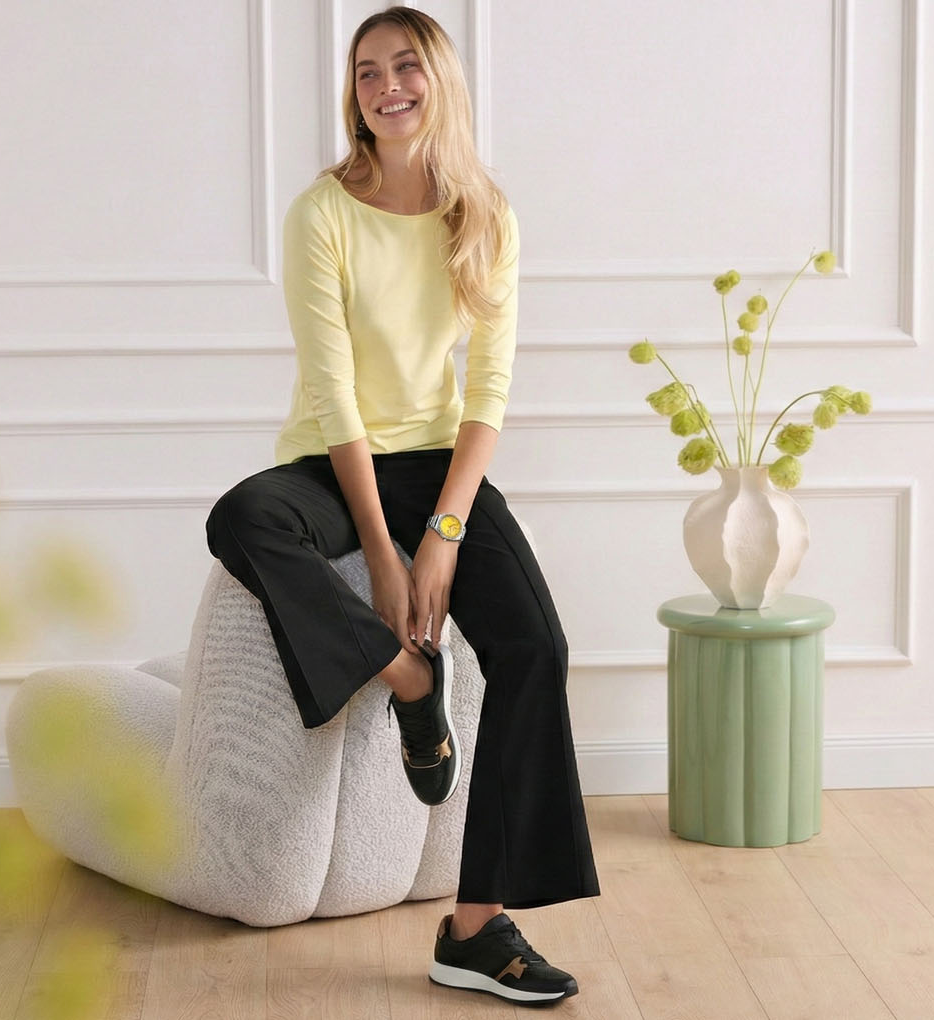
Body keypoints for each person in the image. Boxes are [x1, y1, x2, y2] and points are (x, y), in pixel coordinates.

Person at [201, 5, 599, 1008]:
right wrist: (384, 553)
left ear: (440, 81)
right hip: (334, 464)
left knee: (537, 649)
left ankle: (476, 929)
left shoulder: (487, 217)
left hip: (440, 462)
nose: (388, 84)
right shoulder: (322, 213)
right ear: (355, 93)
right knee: (244, 517)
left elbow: (489, 392)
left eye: (406, 65)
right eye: (368, 69)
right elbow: (334, 396)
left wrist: (446, 535)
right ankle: (410, 686)